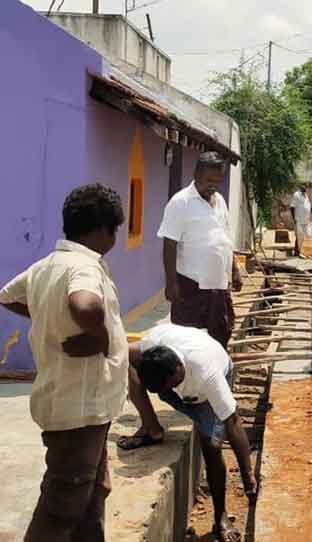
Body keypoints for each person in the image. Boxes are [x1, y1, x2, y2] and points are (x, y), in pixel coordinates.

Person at [0, 184, 127, 542]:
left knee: (94, 491)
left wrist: (45, 316)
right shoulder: (83, 267)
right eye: (115, 231)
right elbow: (85, 305)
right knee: (61, 506)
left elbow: (7, 296)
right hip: (79, 409)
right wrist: (100, 336)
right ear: (102, 230)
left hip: (84, 404)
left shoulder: (46, 266)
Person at [120, 323, 257, 542]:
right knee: (129, 365)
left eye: (170, 384)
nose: (166, 392)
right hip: (185, 391)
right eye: (161, 390)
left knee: (211, 445)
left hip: (202, 395)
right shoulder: (150, 349)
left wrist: (248, 475)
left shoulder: (207, 374)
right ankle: (151, 429)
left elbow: (233, 420)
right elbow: (122, 351)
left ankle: (220, 516)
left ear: (178, 369)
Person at [158, 152, 242, 348]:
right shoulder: (180, 202)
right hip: (191, 285)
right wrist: (171, 283)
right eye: (208, 180)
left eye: (217, 181)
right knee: (187, 339)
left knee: (221, 332)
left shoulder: (219, 201)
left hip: (219, 284)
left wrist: (235, 269)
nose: (212, 185)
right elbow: (169, 243)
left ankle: (217, 372)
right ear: (196, 174)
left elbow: (225, 238)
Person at [290, 183, 312, 255]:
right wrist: (294, 219)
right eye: (304, 186)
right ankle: (297, 252)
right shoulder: (296, 195)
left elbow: (307, 206)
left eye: (306, 186)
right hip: (298, 219)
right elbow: (292, 207)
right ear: (300, 187)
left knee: (304, 237)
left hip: (305, 220)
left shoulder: (306, 195)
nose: (305, 187)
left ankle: (299, 251)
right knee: (299, 236)